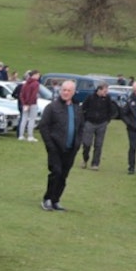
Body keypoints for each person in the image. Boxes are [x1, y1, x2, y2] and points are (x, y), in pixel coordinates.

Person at [36, 79, 82, 211]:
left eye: (69, 90)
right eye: (64, 90)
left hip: (71, 148)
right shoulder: (52, 107)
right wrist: (50, 145)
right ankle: (47, 199)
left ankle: (56, 200)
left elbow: (81, 128)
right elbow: (43, 127)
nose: (66, 93)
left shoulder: (77, 109)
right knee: (56, 172)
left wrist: (78, 143)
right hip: (55, 147)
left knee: (63, 175)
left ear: (73, 92)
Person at [79, 82, 117, 170]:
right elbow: (83, 108)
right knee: (87, 143)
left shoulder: (107, 98)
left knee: (98, 144)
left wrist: (107, 120)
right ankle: (85, 159)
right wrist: (85, 120)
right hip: (89, 123)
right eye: (104, 91)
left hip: (102, 123)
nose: (106, 93)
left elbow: (110, 110)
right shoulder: (90, 97)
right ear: (99, 90)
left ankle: (95, 163)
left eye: (106, 91)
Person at [17, 69, 40, 141]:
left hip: (25, 103)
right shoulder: (36, 83)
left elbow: (21, 94)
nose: (39, 76)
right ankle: (30, 136)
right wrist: (29, 103)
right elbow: (33, 95)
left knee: (24, 119)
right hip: (32, 103)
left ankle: (21, 135)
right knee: (32, 119)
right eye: (38, 75)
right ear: (35, 75)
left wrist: (24, 103)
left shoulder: (26, 83)